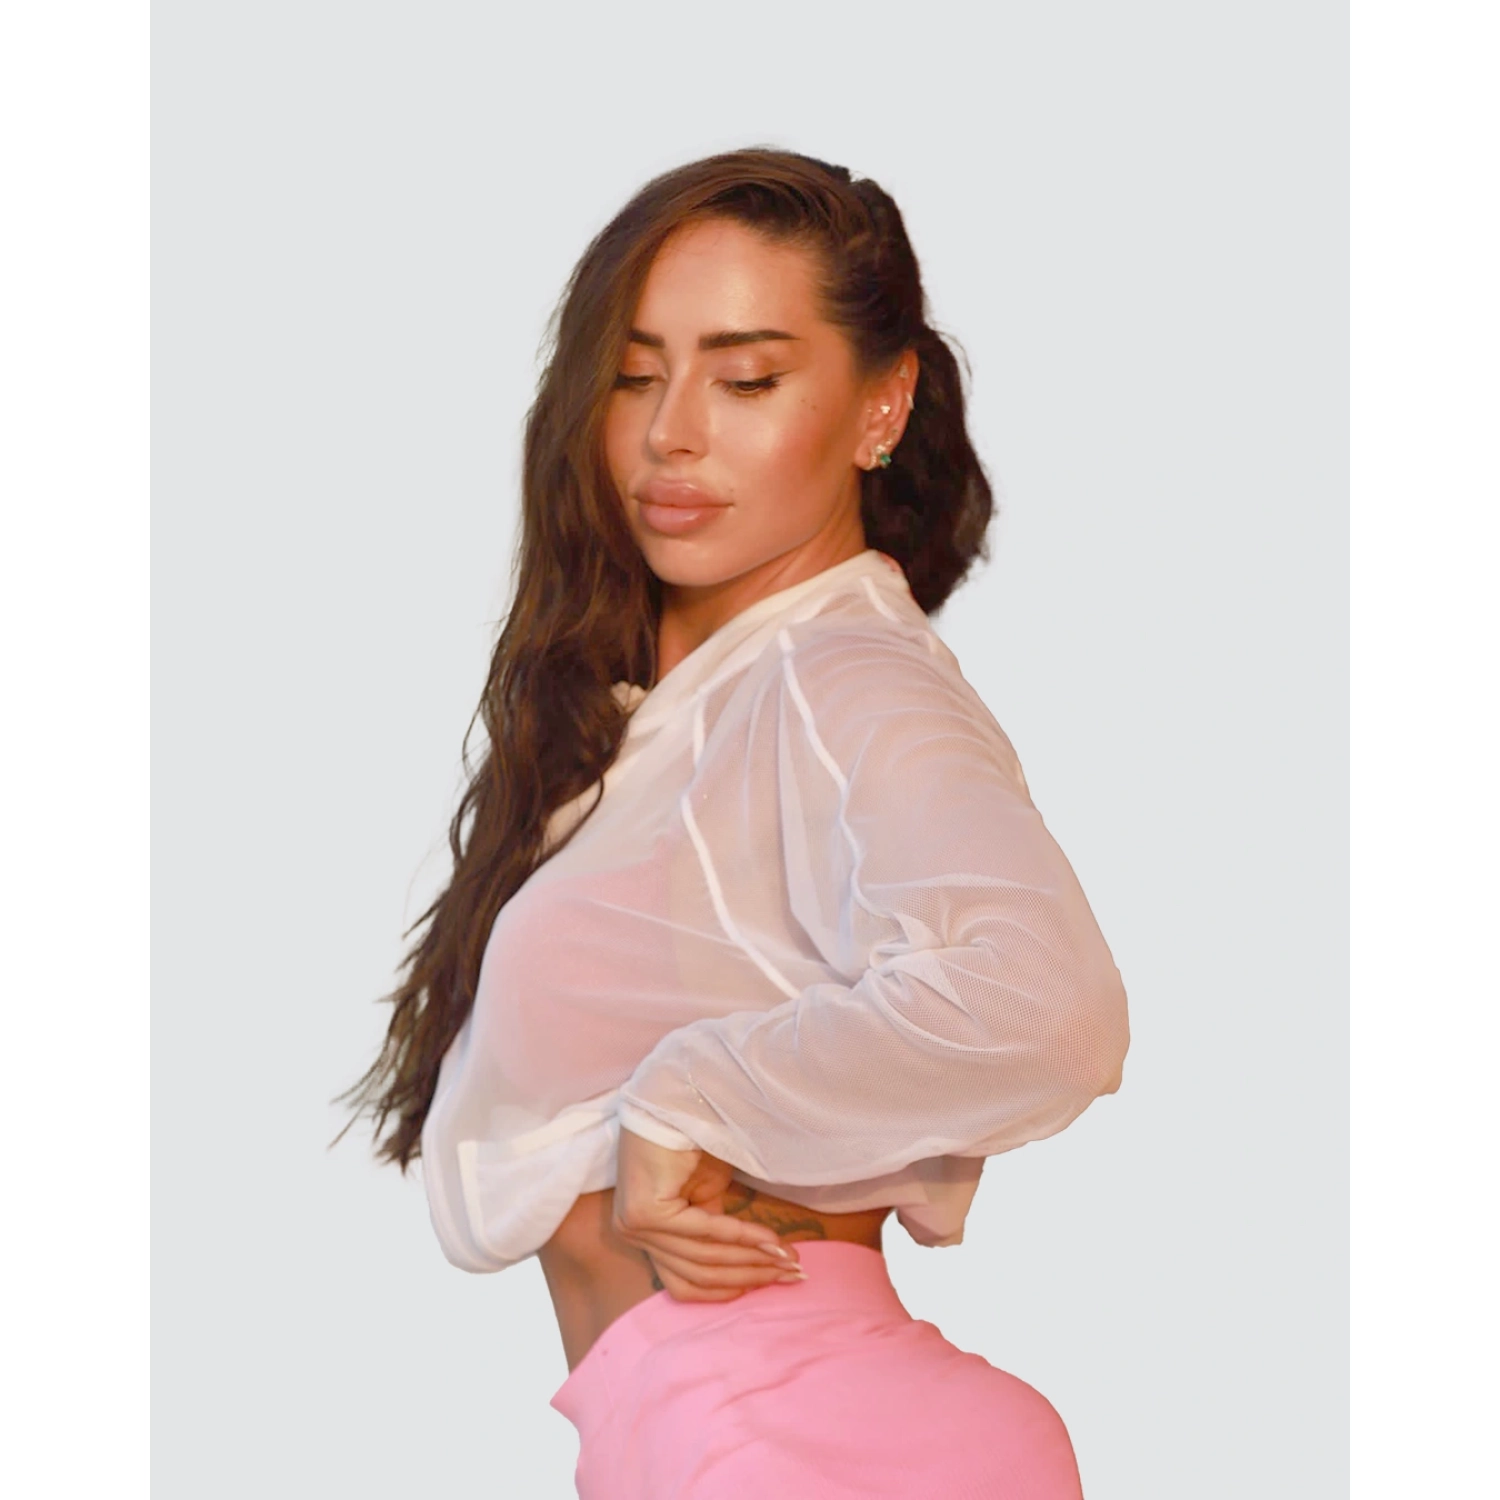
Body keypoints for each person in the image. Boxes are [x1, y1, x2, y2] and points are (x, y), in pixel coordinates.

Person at [342, 147, 1131, 1498]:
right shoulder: (695, 711)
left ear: (882, 406)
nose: (672, 434)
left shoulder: (842, 680)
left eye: (748, 379)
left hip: (800, 1439)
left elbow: (1047, 1007)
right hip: (712, 1429)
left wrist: (688, 1095)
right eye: (633, 374)